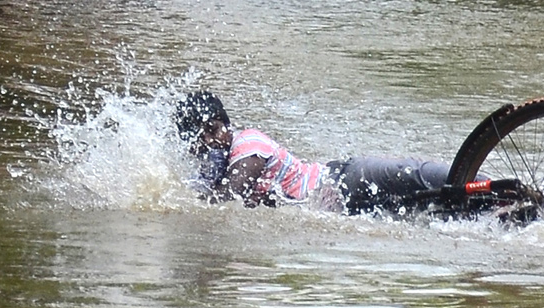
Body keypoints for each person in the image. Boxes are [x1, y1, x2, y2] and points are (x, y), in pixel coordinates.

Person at [173, 91, 454, 215]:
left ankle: (488, 177)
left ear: (226, 124)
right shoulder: (214, 168)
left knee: (420, 174)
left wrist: (166, 199)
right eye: (200, 138)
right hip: (341, 207)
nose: (210, 141)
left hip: (345, 178)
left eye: (213, 129)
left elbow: (229, 196)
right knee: (436, 207)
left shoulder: (247, 143)